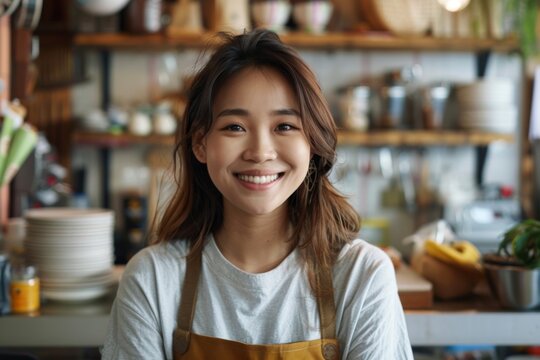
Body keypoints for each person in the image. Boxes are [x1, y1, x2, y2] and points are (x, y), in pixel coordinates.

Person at [101, 29, 413, 360]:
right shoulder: (152, 280)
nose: (260, 152)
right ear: (200, 144)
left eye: (285, 126)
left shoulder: (360, 276)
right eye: (235, 127)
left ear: (313, 144)